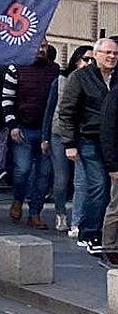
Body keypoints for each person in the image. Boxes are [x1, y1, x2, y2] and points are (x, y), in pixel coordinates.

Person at [55, 37, 118, 253]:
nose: (111, 57)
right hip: (88, 138)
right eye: (107, 53)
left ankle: (103, 232)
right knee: (98, 185)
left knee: (110, 189)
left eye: (115, 53)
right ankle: (90, 232)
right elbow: (67, 111)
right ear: (96, 54)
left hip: (112, 141)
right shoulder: (80, 77)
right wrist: (69, 143)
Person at [3, 41, 60, 230]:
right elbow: (7, 99)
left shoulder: (54, 70)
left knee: (44, 175)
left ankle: (35, 213)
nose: (41, 49)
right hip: (23, 128)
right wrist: (12, 125)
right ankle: (18, 199)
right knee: (23, 171)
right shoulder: (15, 68)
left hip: (47, 130)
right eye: (37, 46)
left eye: (44, 46)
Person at [48, 45, 94, 234]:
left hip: (83, 135)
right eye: (85, 59)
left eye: (93, 60)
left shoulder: (96, 82)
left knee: (82, 181)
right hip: (60, 134)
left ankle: (78, 220)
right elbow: (51, 111)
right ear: (76, 60)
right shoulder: (61, 80)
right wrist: (45, 138)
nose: (89, 63)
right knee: (62, 178)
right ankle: (61, 213)